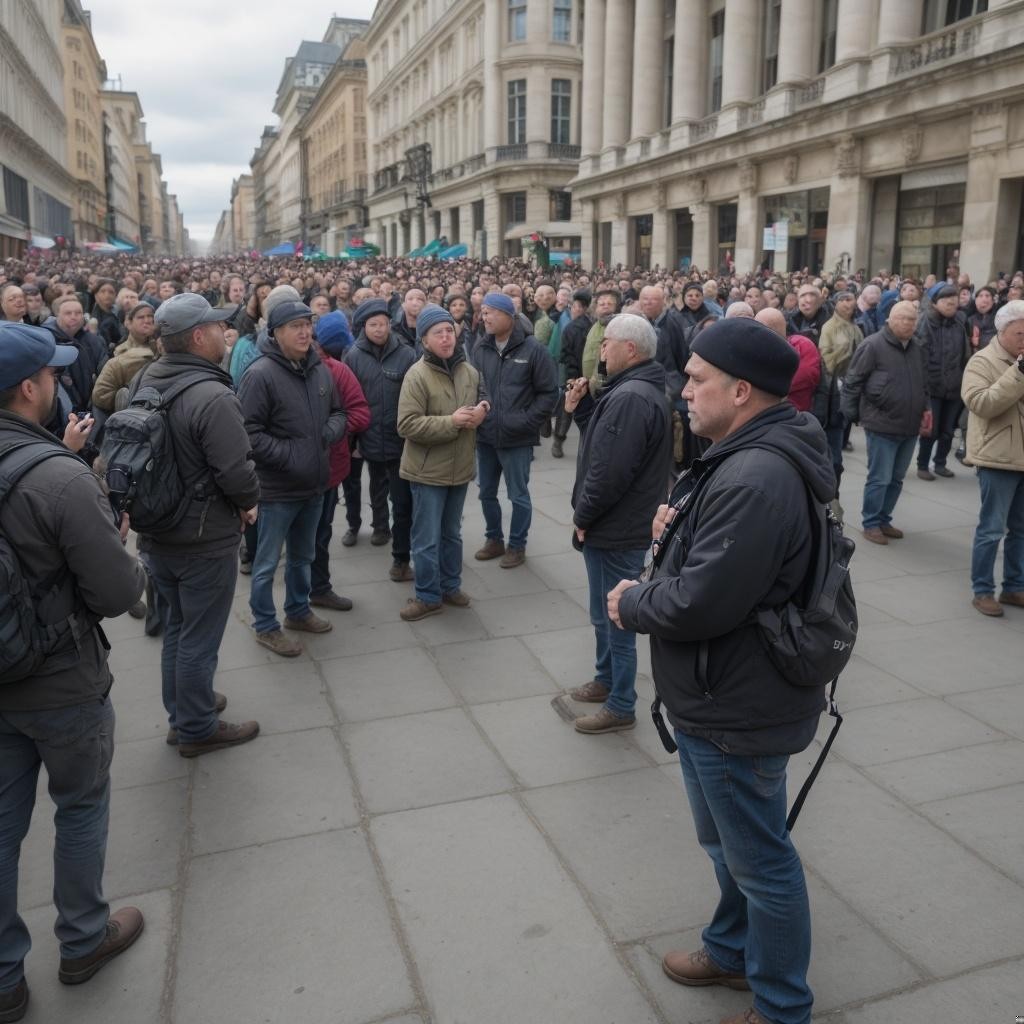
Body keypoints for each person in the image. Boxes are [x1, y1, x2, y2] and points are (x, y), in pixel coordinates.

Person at [608, 317, 833, 1024]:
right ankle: (733, 950)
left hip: (737, 704)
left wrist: (632, 602)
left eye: (697, 379)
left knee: (761, 862)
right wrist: (674, 531)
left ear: (741, 392)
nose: (683, 389)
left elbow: (706, 600)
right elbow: (727, 560)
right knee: (732, 846)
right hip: (723, 694)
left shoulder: (756, 473)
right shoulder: (744, 453)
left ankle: (782, 1007)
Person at [0, 321, 147, 1017]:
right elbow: (117, 593)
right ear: (29, 390)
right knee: (80, 804)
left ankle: (5, 977)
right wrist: (117, 547)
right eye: (52, 375)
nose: (58, 383)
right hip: (61, 679)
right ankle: (84, 940)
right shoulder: (59, 477)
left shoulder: (50, 466)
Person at [134, 294, 261, 755]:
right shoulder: (212, 395)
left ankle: (185, 709)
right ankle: (196, 727)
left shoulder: (145, 378)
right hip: (202, 536)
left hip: (157, 531)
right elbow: (236, 470)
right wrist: (249, 503)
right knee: (199, 638)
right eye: (216, 327)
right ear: (198, 337)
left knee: (178, 628)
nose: (225, 333)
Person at [564, 313, 671, 734]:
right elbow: (604, 444)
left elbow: (608, 472)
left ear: (630, 349)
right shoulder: (632, 390)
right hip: (619, 524)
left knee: (616, 617)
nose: (601, 348)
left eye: (606, 342)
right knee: (603, 613)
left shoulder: (631, 396)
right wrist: (582, 409)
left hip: (617, 527)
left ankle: (621, 703)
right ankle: (605, 679)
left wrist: (583, 516)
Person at [238, 301, 347, 656]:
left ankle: (298, 611)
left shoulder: (319, 369)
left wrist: (327, 434)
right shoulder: (260, 374)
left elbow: (339, 412)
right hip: (276, 490)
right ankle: (265, 625)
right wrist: (290, 455)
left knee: (303, 556)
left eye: (307, 325)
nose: (304, 332)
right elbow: (247, 433)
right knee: (267, 563)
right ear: (276, 333)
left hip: (314, 485)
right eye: (295, 326)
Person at [397, 305, 489, 621]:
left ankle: (450, 586)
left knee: (452, 533)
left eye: (450, 330)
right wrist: (451, 422)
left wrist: (483, 409)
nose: (447, 337)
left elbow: (483, 397)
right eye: (439, 333)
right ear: (425, 340)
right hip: (427, 471)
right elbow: (406, 424)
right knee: (426, 539)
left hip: (459, 468)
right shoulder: (416, 375)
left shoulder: (469, 371)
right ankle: (427, 595)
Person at [471, 292, 558, 569]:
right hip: (486, 435)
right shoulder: (481, 347)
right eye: (483, 312)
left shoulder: (534, 349)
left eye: (491, 312)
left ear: (509, 315)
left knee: (518, 495)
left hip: (517, 437)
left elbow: (549, 393)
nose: (485, 317)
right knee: (486, 492)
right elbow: (474, 384)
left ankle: (517, 545)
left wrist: (527, 421)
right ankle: (494, 539)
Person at [842, 301, 930, 545]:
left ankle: (883, 519)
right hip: (881, 424)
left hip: (909, 425)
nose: (908, 323)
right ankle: (871, 523)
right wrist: (854, 416)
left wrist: (926, 409)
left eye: (912, 319)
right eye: (903, 318)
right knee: (880, 478)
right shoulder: (873, 345)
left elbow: (923, 383)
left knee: (897, 478)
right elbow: (853, 382)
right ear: (890, 319)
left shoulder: (917, 348)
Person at [344, 298, 418, 580]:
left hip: (400, 438)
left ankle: (401, 552)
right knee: (376, 485)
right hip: (369, 435)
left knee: (401, 498)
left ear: (390, 325)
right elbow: (349, 398)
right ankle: (379, 526)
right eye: (373, 324)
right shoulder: (353, 356)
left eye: (383, 324)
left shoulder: (406, 354)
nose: (379, 329)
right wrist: (354, 439)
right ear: (364, 327)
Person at [961, 300, 1024, 617]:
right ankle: (982, 590)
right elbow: (981, 404)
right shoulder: (982, 361)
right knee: (991, 529)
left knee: (1021, 530)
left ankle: (1014, 586)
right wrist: (1018, 373)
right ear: (1002, 331)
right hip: (997, 459)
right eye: (1021, 334)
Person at [311, 312, 370, 608]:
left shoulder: (338, 371)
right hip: (285, 473)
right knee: (282, 546)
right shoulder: (269, 371)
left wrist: (333, 429)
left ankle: (318, 589)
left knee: (321, 533)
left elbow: (360, 412)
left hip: (329, 469)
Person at [916, 284, 970, 481]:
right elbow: (920, 357)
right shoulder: (925, 323)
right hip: (932, 387)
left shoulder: (960, 324)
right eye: (946, 300)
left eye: (954, 300)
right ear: (934, 302)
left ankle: (940, 463)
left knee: (948, 430)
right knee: (931, 429)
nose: (951, 303)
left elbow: (965, 355)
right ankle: (922, 465)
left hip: (955, 387)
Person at [90, 303, 160, 413]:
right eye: (141, 317)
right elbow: (101, 395)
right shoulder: (116, 353)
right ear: (129, 323)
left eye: (151, 316)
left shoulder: (164, 347)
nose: (147, 320)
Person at [552, 289, 592, 458]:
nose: (574, 310)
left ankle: (558, 441)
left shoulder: (571, 328)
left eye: (576, 307)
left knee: (566, 409)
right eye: (573, 307)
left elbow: (566, 355)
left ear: (582, 308)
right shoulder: (593, 326)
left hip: (574, 375)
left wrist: (571, 377)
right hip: (591, 377)